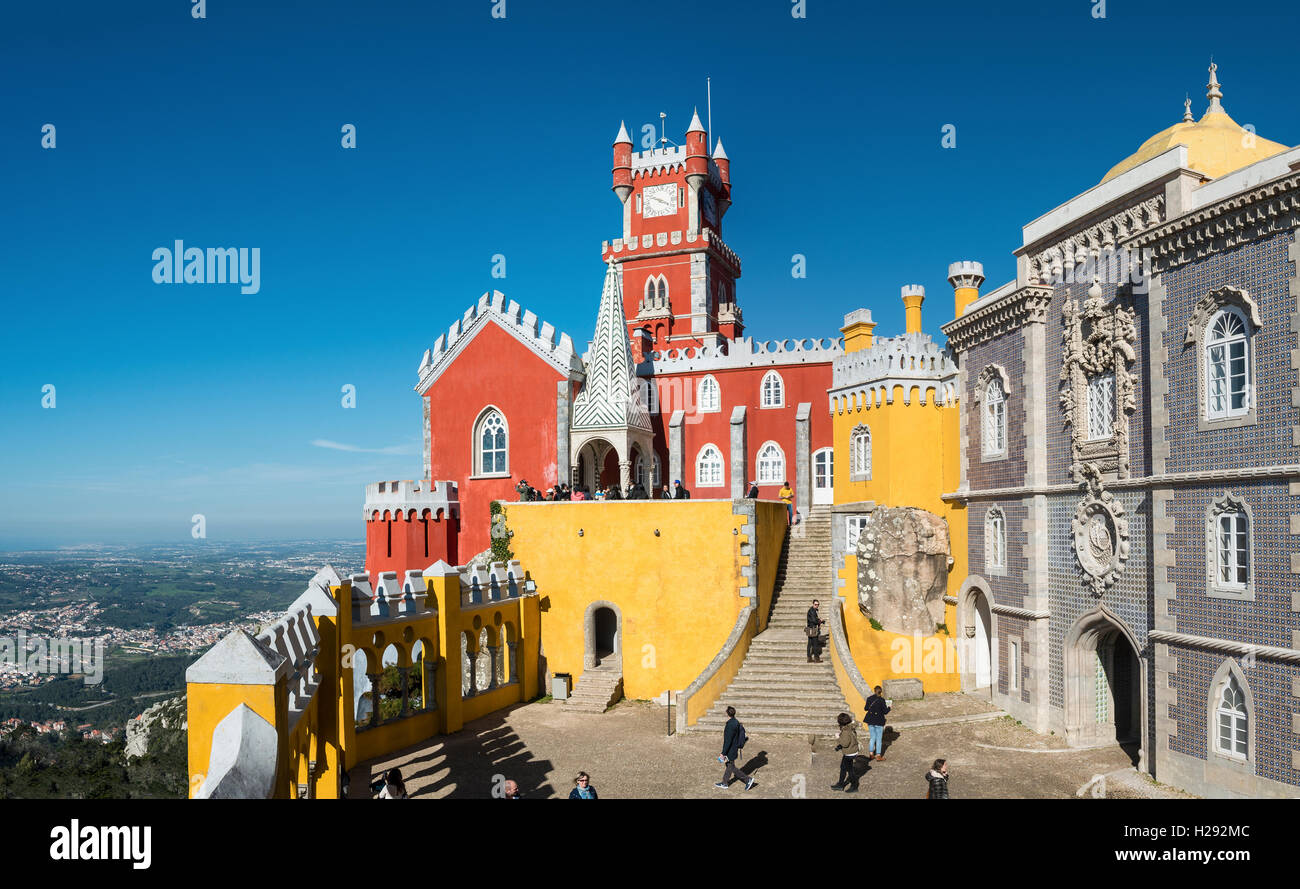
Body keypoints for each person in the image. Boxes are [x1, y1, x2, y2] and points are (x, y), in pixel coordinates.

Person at [713, 706, 755, 790]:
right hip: (734, 748)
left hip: (731, 749)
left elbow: (728, 741)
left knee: (731, 766)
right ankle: (724, 782)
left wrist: (723, 753)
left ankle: (748, 780)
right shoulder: (736, 722)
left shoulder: (730, 725)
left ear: (727, 713)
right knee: (729, 765)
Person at [831, 713, 863, 793]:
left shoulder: (845, 731)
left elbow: (845, 743)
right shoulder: (850, 727)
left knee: (850, 771)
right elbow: (851, 739)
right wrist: (839, 747)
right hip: (852, 751)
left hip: (849, 753)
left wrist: (838, 737)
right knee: (843, 768)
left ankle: (854, 786)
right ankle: (840, 784)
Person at [863, 685, 891, 761]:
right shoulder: (882, 700)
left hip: (870, 720)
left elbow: (865, 708)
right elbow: (885, 712)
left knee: (872, 738)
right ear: (881, 692)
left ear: (874, 690)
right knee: (878, 739)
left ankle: (871, 754)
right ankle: (878, 755)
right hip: (879, 721)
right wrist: (889, 708)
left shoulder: (869, 699)